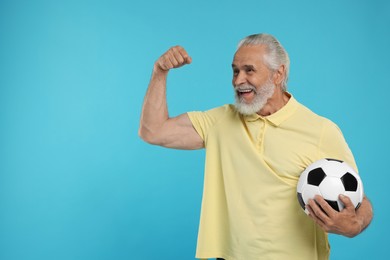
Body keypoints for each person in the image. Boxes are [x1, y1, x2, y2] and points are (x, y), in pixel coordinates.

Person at [139, 33, 373, 260]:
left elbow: (359, 199)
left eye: (249, 70)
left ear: (278, 73)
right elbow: (153, 131)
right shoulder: (220, 121)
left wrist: (355, 225)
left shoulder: (321, 130)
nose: (238, 80)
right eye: (235, 71)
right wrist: (160, 71)